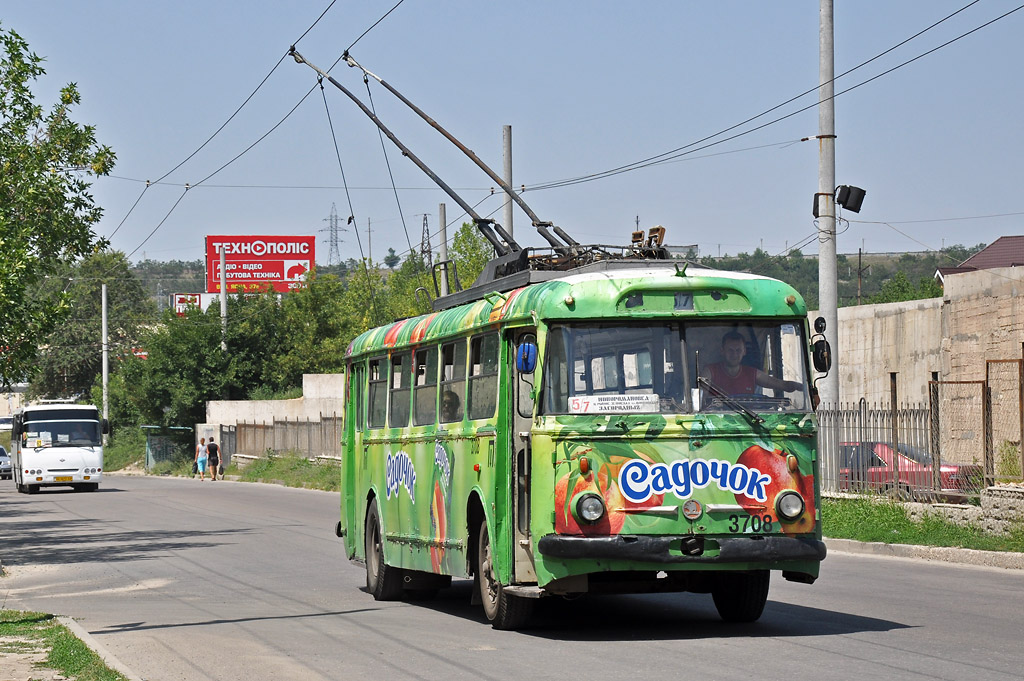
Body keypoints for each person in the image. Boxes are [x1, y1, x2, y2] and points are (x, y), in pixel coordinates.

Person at [702, 331, 802, 395]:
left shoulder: (752, 373)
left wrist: (801, 387)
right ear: (722, 351)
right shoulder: (710, 372)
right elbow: (701, 398)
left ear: (744, 351)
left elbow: (780, 384)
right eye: (730, 350)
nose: (734, 354)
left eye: (738, 350)